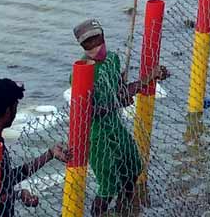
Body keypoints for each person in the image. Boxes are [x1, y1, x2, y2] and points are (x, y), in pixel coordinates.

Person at [72, 19, 169, 217]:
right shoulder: (81, 72)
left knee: (133, 167)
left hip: (115, 126)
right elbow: (87, 112)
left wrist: (151, 77)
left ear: (103, 37)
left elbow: (121, 92)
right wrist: (117, 103)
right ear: (82, 46)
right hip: (97, 134)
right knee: (108, 185)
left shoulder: (112, 59)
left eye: (96, 40)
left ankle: (123, 209)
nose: (94, 47)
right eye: (88, 44)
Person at [0, 79, 71, 217]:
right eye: (16, 105)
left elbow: (4, 180)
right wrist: (16, 195)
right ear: (8, 111)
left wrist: (50, 154)